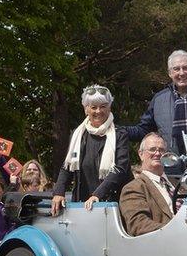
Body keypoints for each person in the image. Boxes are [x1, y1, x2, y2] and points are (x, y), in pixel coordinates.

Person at [51, 84, 132, 215]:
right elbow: (67, 166)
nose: (98, 111)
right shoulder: (78, 135)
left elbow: (120, 168)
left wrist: (97, 195)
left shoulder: (119, 134)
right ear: (85, 109)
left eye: (103, 106)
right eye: (93, 107)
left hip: (113, 204)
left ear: (110, 107)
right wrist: (59, 192)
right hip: (82, 204)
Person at [119, 133, 175, 236]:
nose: (158, 153)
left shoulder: (180, 185)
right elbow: (138, 225)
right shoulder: (133, 188)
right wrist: (178, 230)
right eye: (152, 149)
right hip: (163, 245)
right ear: (141, 154)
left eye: (162, 150)